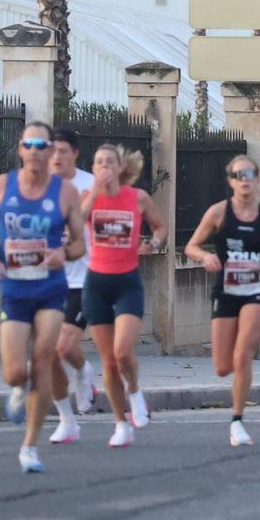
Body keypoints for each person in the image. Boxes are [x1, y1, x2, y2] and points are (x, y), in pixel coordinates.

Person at [0, 122, 86, 473]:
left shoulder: (65, 192)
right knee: (13, 372)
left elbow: (81, 242)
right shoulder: (1, 186)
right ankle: (18, 387)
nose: (37, 151)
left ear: (51, 150)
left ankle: (29, 447)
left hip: (51, 288)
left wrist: (63, 254)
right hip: (15, 288)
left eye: (44, 145)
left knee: (43, 359)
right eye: (30, 144)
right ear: (21, 149)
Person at [184, 155, 260, 446]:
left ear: (258, 179)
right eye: (238, 174)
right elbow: (191, 247)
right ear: (230, 181)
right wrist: (207, 255)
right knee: (223, 366)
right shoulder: (218, 213)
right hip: (226, 291)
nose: (244, 179)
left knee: (243, 351)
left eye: (250, 174)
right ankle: (238, 380)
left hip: (255, 291)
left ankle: (237, 421)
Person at [81, 144, 167, 447]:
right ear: (93, 169)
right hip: (96, 284)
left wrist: (154, 244)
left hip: (127, 282)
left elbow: (160, 228)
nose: (104, 167)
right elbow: (75, 223)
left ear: (120, 168)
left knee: (122, 352)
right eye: (98, 162)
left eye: (109, 162)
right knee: (108, 360)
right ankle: (120, 424)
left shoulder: (138, 198)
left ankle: (134, 390)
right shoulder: (87, 199)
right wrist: (93, 193)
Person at [50, 129, 99, 421]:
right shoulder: (41, 187)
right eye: (52, 151)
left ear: (75, 154)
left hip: (85, 277)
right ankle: (82, 372)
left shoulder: (90, 184)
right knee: (52, 348)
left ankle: (82, 374)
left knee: (64, 345)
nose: (56, 157)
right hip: (50, 277)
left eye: (63, 152)